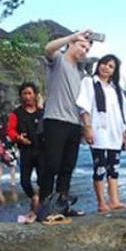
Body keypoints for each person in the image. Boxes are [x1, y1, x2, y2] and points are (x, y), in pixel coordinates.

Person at [40, 29, 93, 216]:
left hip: (74, 123)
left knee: (67, 167)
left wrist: (87, 127)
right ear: (71, 44)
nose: (84, 51)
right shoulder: (59, 60)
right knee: (52, 165)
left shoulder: (81, 73)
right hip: (55, 119)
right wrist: (72, 36)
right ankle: (45, 207)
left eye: (87, 49)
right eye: (81, 46)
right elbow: (48, 49)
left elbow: (85, 104)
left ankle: (62, 206)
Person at [76, 54, 126, 212]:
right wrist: (87, 127)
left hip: (115, 133)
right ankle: (102, 202)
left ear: (114, 71)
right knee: (100, 167)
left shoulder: (115, 89)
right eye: (104, 64)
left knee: (114, 168)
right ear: (99, 64)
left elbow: (122, 113)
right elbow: (84, 107)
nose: (106, 68)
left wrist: (124, 134)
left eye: (111, 66)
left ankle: (114, 201)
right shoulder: (89, 82)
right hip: (99, 131)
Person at [7, 82, 44, 217]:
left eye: (30, 93)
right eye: (24, 94)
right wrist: (18, 137)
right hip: (26, 150)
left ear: (35, 95)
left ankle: (40, 207)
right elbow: (10, 130)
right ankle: (34, 198)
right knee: (24, 181)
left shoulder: (42, 112)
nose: (27, 96)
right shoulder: (17, 113)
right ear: (21, 96)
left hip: (41, 150)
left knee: (43, 180)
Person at [0, 122, 17, 188]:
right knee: (12, 167)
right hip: (10, 149)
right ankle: (13, 182)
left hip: (2, 149)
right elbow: (14, 138)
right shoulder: (11, 128)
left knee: (1, 166)